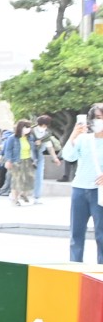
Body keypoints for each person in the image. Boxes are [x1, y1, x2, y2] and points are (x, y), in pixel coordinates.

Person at [62, 103, 103, 264]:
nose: (100, 121)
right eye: (97, 117)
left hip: (99, 192)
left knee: (101, 235)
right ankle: (74, 267)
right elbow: (68, 156)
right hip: (79, 189)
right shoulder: (84, 139)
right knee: (76, 234)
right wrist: (74, 134)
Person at [0, 120, 37, 206]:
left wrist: (34, 159)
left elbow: (33, 149)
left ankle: (23, 194)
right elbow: (8, 150)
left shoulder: (30, 138)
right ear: (21, 128)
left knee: (28, 180)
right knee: (17, 181)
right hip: (17, 161)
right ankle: (15, 199)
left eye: (29, 127)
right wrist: (8, 160)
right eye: (26, 127)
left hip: (28, 161)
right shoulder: (12, 138)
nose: (28, 129)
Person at [32, 115, 60, 201]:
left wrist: (55, 158)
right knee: (27, 176)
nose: (44, 127)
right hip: (29, 155)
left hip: (39, 156)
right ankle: (20, 194)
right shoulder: (31, 131)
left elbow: (50, 147)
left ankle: (37, 196)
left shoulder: (46, 134)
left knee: (39, 176)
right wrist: (34, 143)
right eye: (43, 125)